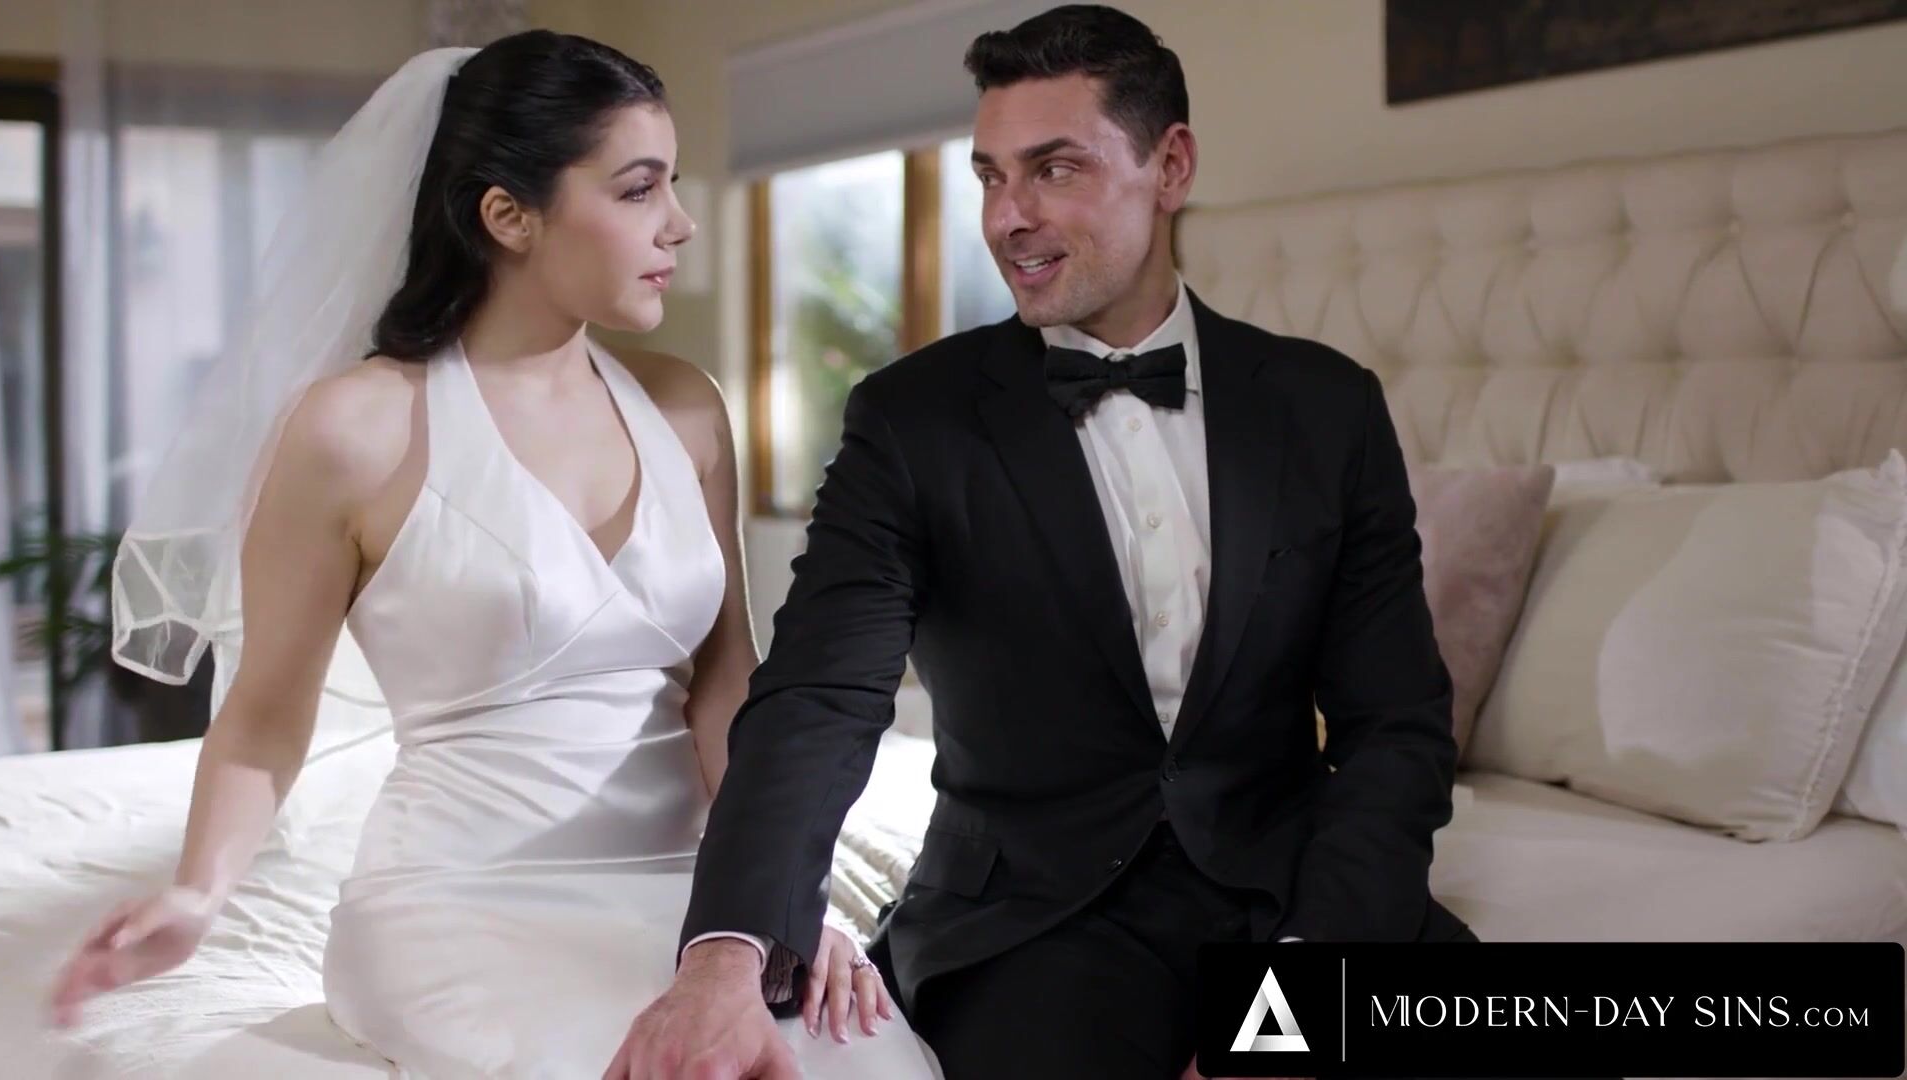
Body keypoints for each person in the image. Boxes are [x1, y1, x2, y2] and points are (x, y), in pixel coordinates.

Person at [47, 30, 936, 1080]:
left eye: (673, 184)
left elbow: (724, 683)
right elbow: (265, 714)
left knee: (868, 1062)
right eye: (639, 189)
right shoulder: (356, 429)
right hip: (461, 901)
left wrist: (773, 907)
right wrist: (198, 892)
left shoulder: (686, 407)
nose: (680, 222)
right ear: (509, 216)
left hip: (694, 898)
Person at [617, 5, 1480, 1079]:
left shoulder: (1326, 406)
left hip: (1300, 903)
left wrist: (1294, 1004)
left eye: (1054, 170)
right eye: (990, 176)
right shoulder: (911, 419)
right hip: (1031, 929)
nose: (1006, 218)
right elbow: (819, 701)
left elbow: (1396, 728)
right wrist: (727, 953)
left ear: (1171, 166)